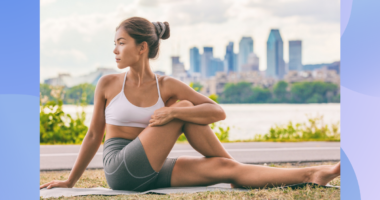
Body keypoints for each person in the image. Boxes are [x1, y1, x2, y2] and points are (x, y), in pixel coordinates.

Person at [40, 17, 340, 192]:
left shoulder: (166, 85)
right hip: (121, 168)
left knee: (222, 167)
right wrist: (70, 181)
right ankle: (239, 167)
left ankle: (311, 173)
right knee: (184, 107)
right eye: (115, 42)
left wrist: (174, 110)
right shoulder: (108, 83)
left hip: (151, 169)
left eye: (121, 42)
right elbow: (94, 135)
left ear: (141, 48)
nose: (115, 49)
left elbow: (217, 112)